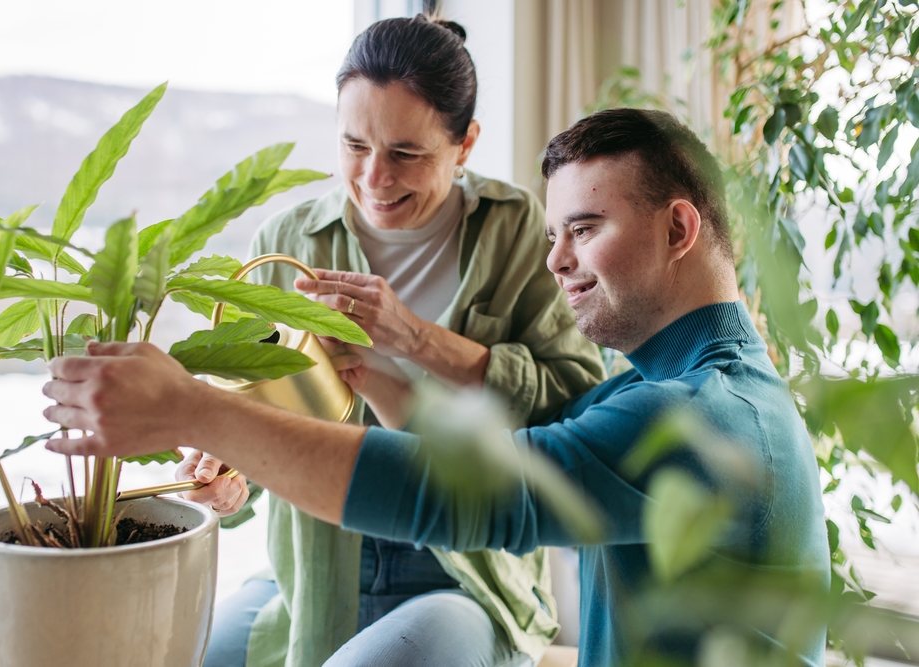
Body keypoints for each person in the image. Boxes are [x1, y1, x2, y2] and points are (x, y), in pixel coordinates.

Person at [43, 109, 830, 666]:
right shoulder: (681, 385)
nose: (556, 260)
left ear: (679, 229)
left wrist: (195, 406)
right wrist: (372, 375)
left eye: (584, 229)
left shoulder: (699, 418)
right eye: (555, 234)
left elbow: (473, 494)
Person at [171, 14, 606, 667]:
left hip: (461, 569)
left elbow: (578, 404)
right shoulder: (287, 244)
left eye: (406, 153)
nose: (375, 178)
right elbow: (256, 420)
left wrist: (416, 337)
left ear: (465, 145)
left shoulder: (519, 232)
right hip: (315, 564)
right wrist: (228, 478)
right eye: (354, 146)